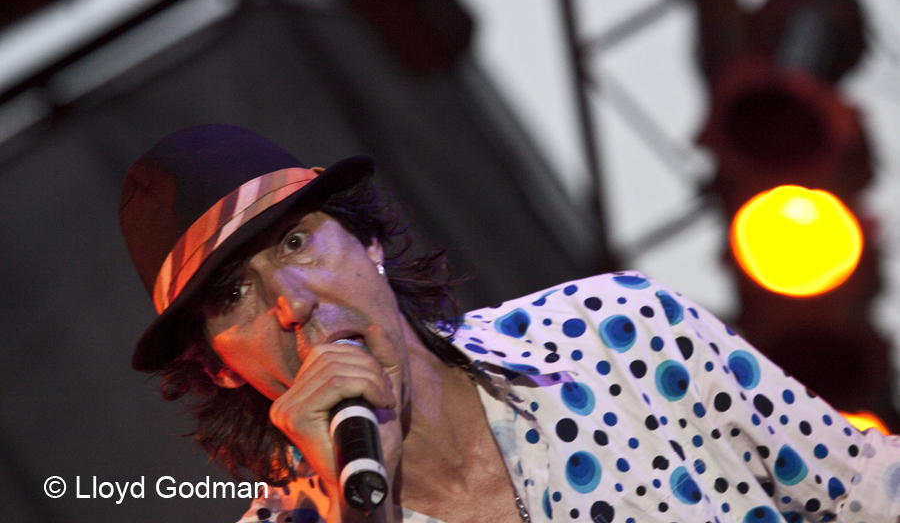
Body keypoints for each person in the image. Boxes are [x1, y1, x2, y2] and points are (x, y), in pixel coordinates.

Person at [120, 124, 900, 523]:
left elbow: (862, 492)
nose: (293, 303)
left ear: (366, 241)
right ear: (219, 366)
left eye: (296, 242)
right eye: (235, 296)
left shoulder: (612, 332)